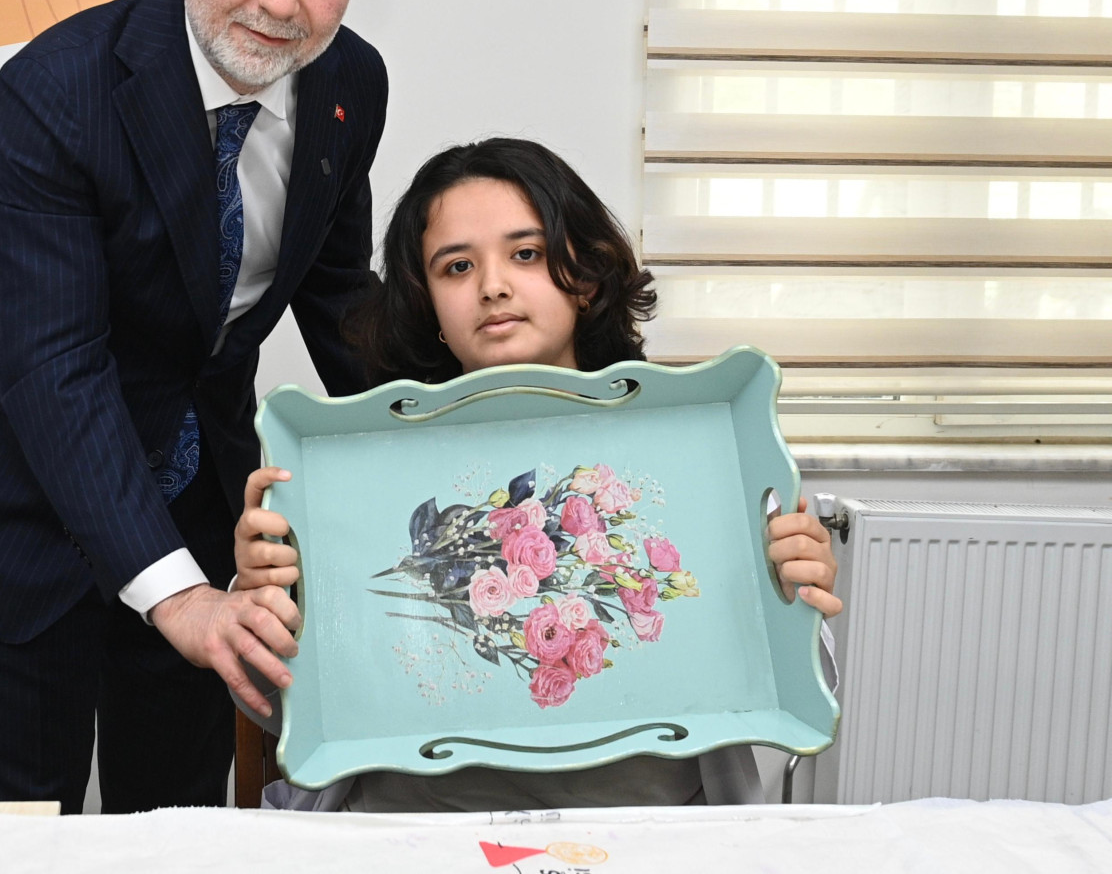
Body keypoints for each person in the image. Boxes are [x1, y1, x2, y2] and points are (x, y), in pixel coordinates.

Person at [0, 0, 392, 813]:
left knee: (176, 814)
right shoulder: (56, 89)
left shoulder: (350, 82)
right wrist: (176, 596)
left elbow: (342, 297)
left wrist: (476, 434)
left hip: (198, 486)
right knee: (23, 822)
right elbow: (55, 368)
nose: (281, 0)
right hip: (23, 490)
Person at [234, 137, 841, 812]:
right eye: (457, 266)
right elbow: (282, 711)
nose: (492, 286)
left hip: (648, 827)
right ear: (428, 305)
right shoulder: (357, 467)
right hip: (404, 826)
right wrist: (260, 606)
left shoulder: (694, 444)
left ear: (586, 276)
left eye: (526, 253)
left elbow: (789, 678)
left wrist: (791, 590)